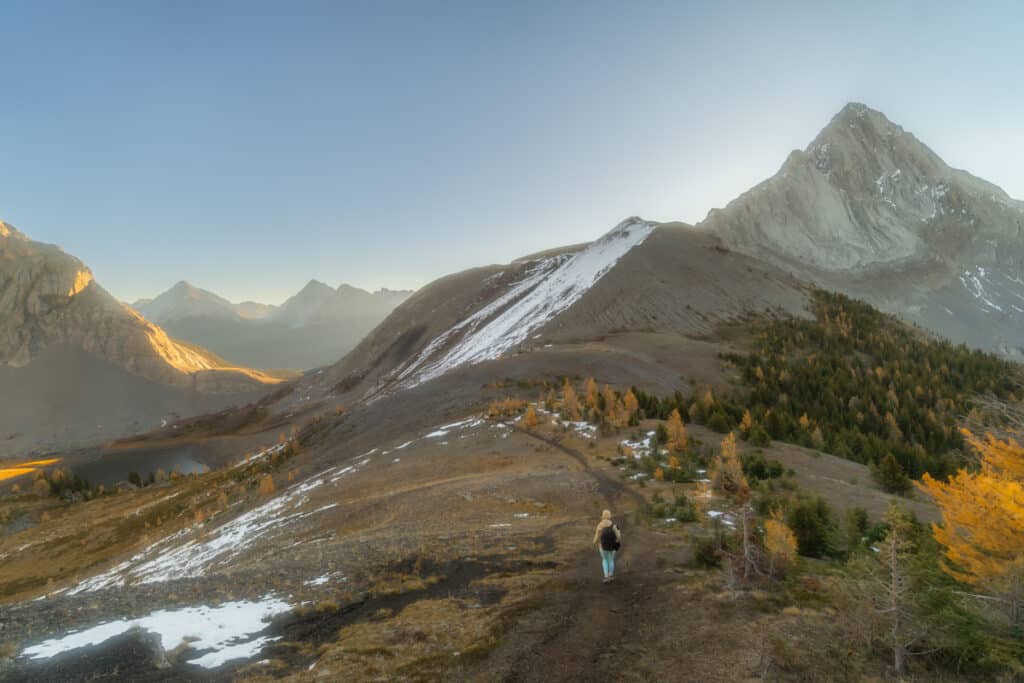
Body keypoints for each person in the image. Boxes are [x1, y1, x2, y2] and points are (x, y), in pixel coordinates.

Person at [592, 509, 621, 583]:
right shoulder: (614, 525)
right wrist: (617, 542)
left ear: (602, 515)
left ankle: (606, 577)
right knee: (611, 560)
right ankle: (611, 575)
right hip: (612, 546)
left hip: (602, 546)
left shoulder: (600, 525)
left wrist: (594, 543)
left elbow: (596, 536)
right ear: (609, 515)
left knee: (604, 560)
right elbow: (619, 537)